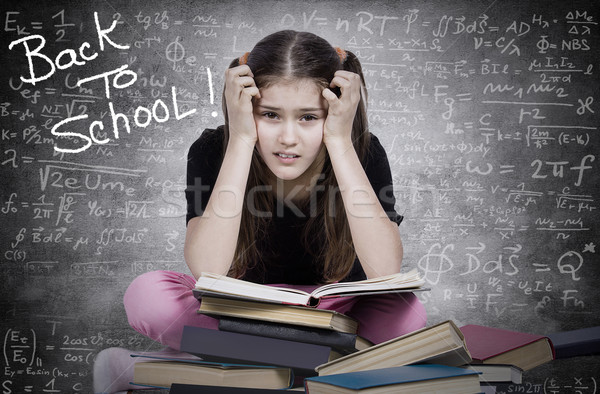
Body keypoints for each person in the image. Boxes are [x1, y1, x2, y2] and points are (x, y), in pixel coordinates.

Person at [93, 29, 426, 394]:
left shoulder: (363, 150)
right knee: (147, 295)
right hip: (239, 314)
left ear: (334, 112)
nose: (288, 137)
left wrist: (340, 142)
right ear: (246, 108)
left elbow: (384, 271)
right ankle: (315, 372)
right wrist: (240, 139)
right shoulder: (213, 149)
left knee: (408, 316)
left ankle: (220, 369)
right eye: (269, 115)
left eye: (308, 118)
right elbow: (207, 269)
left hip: (335, 315)